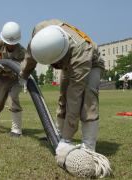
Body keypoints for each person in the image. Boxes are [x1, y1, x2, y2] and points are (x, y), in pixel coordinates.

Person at [20, 19, 104, 151]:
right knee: (63, 98)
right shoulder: (40, 34)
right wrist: (24, 75)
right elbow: (30, 57)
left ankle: (88, 145)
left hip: (90, 62)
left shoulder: (79, 52)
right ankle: (57, 134)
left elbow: (75, 97)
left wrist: (67, 139)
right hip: (67, 62)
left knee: (87, 100)